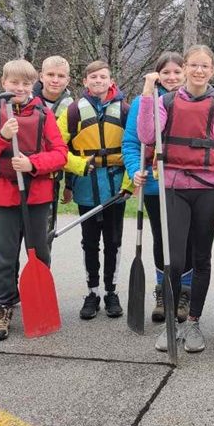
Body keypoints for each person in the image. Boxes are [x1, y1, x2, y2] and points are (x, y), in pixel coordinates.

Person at [138, 44, 214, 353]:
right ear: (186, 68)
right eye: (193, 65)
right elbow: (146, 135)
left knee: (201, 258)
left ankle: (193, 322)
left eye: (204, 66)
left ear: (212, 71)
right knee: (175, 260)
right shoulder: (165, 101)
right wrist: (146, 93)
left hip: (208, 191)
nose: (198, 70)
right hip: (174, 189)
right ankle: (172, 323)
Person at [0, 59, 67, 341]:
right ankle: (3, 306)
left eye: (25, 83)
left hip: (36, 197)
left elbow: (60, 153)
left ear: (32, 85)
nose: (20, 88)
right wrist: (1, 136)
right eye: (14, 82)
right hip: (1, 197)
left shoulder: (44, 115)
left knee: (40, 254)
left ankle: (39, 303)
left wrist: (32, 163)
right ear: (3, 83)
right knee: (3, 258)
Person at [124, 51, 195, 322]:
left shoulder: (194, 101)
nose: (172, 77)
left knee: (185, 239)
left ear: (186, 72)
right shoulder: (144, 101)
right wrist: (135, 170)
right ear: (158, 75)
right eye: (166, 73)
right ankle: (163, 290)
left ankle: (184, 292)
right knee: (160, 238)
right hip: (155, 183)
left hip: (186, 182)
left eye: (177, 72)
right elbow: (132, 143)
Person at [59, 60, 129, 320]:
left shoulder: (124, 109)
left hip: (114, 188)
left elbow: (134, 147)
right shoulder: (74, 111)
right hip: (86, 186)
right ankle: (92, 292)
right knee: (90, 243)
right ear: (85, 82)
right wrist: (73, 171)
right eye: (93, 77)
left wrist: (129, 183)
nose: (98, 81)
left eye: (103, 77)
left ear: (111, 80)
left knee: (113, 242)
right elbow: (57, 147)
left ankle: (111, 291)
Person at [34, 55, 74, 237]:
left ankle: (42, 266)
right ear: (41, 76)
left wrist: (70, 185)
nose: (55, 80)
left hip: (50, 178)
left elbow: (73, 147)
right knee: (16, 232)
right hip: (21, 174)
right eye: (50, 74)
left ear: (68, 79)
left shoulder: (73, 108)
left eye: (61, 76)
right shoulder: (24, 99)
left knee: (44, 235)